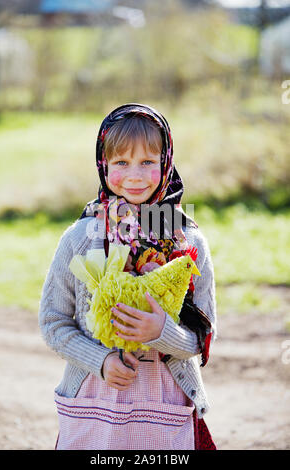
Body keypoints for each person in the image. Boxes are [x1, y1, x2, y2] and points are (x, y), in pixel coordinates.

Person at [39, 103, 217, 450]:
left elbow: (203, 334)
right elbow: (53, 322)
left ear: (166, 163)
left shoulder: (189, 241)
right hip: (95, 400)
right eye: (122, 162)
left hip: (165, 402)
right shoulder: (80, 238)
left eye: (148, 162)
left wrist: (162, 333)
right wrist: (100, 360)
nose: (135, 175)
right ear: (103, 166)